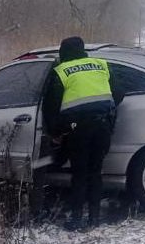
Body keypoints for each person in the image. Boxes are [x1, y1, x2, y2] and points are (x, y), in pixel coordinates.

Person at [42, 37, 123, 231]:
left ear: (63, 52)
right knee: (95, 172)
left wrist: (56, 132)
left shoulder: (61, 72)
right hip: (102, 127)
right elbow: (119, 93)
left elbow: (51, 107)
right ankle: (94, 218)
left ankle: (77, 219)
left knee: (79, 174)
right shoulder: (101, 65)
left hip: (77, 129)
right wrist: (104, 110)